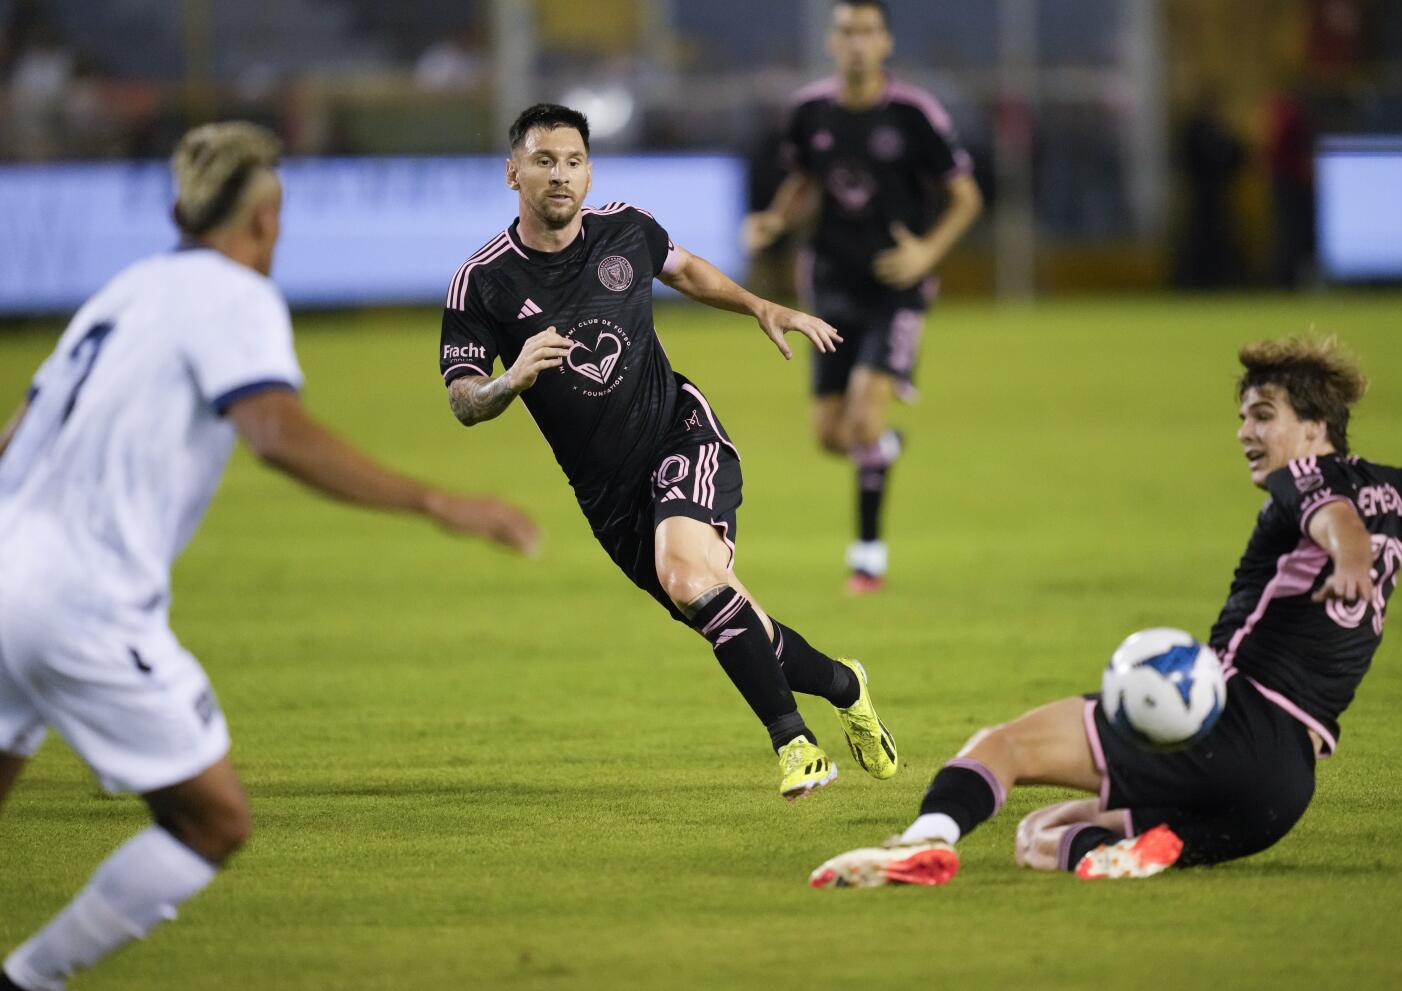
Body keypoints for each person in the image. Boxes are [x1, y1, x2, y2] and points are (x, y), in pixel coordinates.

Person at [0, 122, 538, 991]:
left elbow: (15, 435)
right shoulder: (236, 297)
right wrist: (440, 502)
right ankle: (33, 976)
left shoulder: (123, 290)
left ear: (180, 207)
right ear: (265, 218)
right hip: (79, 597)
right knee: (212, 821)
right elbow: (275, 432)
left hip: (4, 567)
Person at [809, 307, 1402, 886]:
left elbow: (1331, 514)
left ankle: (923, 840)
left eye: (1264, 415)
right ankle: (1142, 847)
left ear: (1315, 429)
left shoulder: (1307, 478)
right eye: (1243, 416)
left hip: (1229, 722)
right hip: (1283, 788)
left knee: (1003, 745)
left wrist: (1353, 552)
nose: (1247, 431)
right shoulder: (1392, 491)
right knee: (1046, 831)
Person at [440, 103, 900, 802]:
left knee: (689, 576)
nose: (559, 175)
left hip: (679, 432)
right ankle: (847, 683)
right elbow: (464, 399)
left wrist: (760, 306)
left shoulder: (626, 228)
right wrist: (511, 377)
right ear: (512, 173)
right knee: (734, 619)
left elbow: (683, 270)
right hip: (608, 498)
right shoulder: (484, 280)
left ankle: (794, 743)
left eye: (572, 161)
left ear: (589, 173)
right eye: (542, 161)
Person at [742, 0, 983, 594]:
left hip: (895, 289)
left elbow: (966, 197)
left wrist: (927, 254)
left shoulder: (913, 114)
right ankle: (884, 449)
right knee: (831, 435)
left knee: (864, 415)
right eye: (847, 31)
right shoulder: (808, 112)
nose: (857, 42)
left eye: (868, 31)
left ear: (885, 44)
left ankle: (867, 557)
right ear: (832, 42)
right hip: (828, 285)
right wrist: (775, 221)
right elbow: (804, 183)